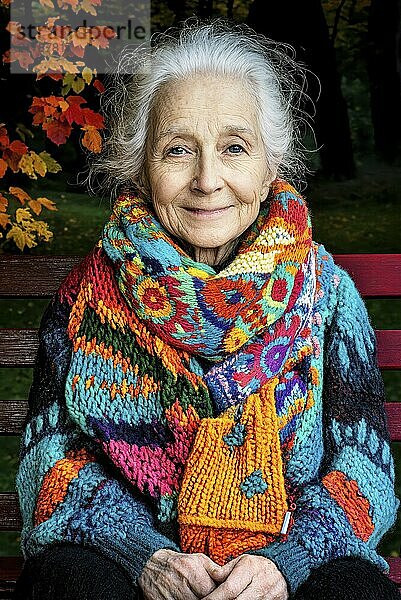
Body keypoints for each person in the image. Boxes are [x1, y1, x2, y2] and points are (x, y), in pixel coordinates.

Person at [14, 17, 400, 600]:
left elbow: (366, 468)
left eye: (234, 148)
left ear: (270, 168)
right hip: (131, 571)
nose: (206, 180)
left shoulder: (326, 296)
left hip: (289, 566)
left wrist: (283, 564)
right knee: (66, 582)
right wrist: (146, 554)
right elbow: (51, 461)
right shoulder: (84, 300)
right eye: (176, 150)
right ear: (140, 168)